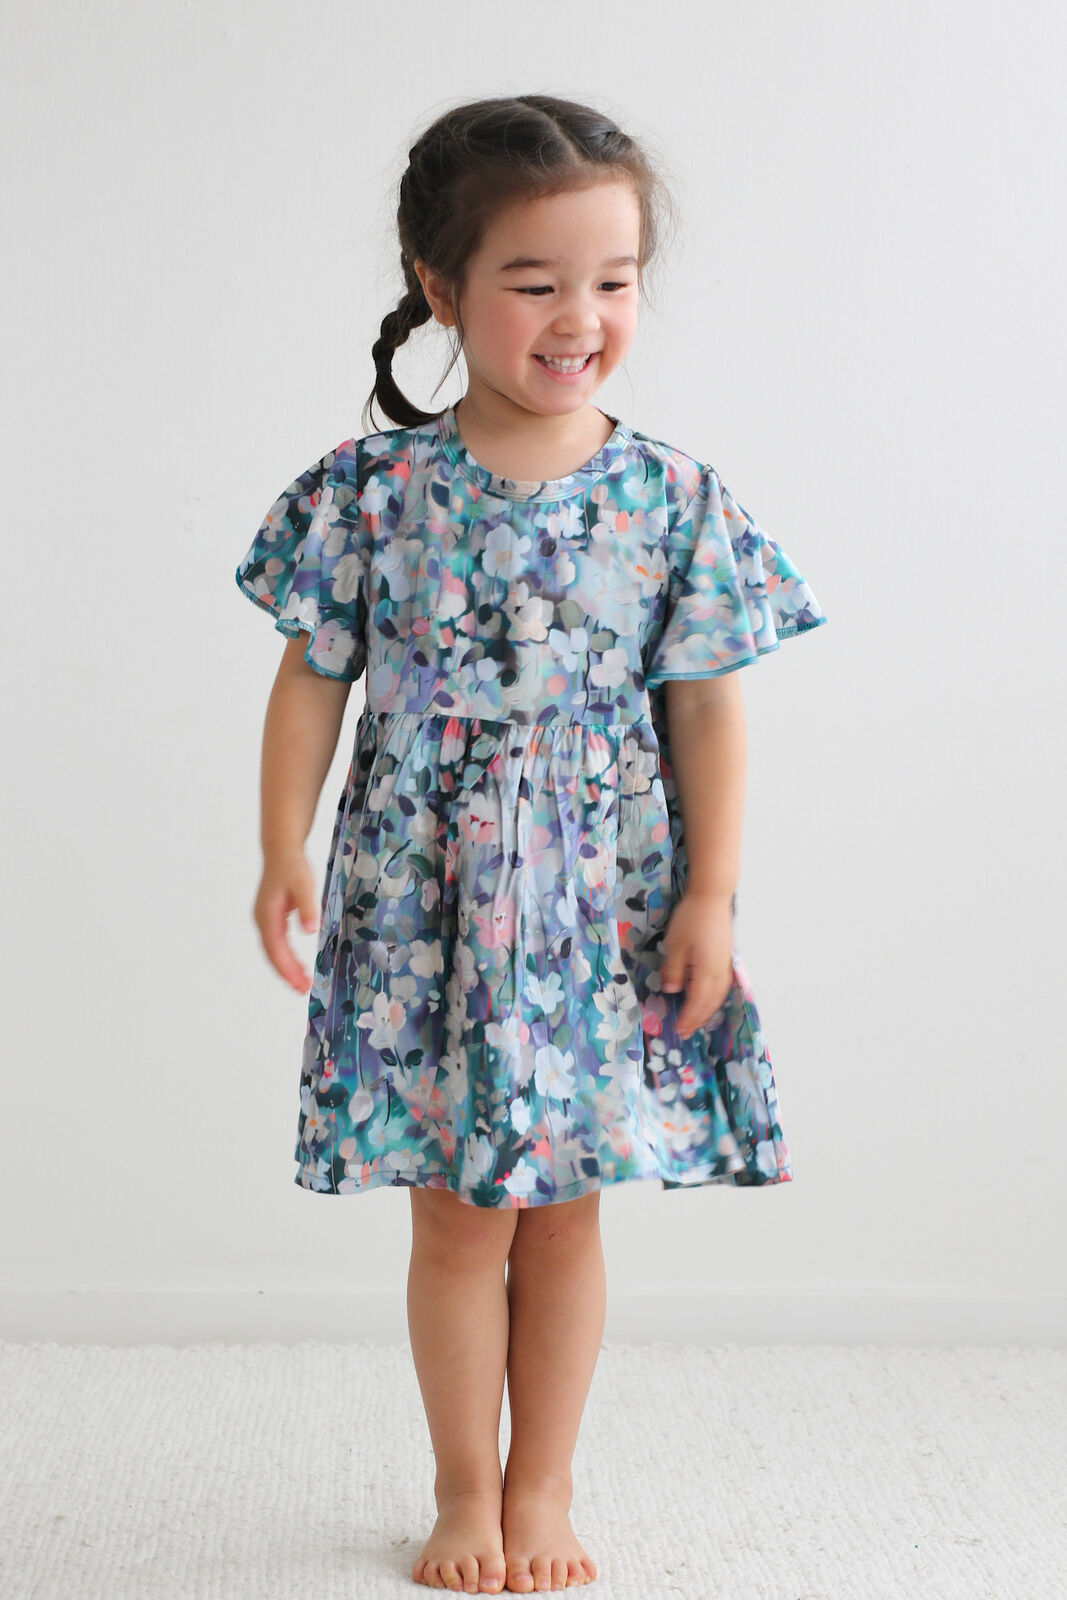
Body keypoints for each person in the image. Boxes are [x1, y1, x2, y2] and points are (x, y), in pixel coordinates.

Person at [234, 93, 827, 1596]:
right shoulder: (376, 493)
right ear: (442, 290)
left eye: (614, 281)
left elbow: (708, 712)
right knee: (454, 1211)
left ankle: (545, 1483)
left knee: (563, 1212)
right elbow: (313, 676)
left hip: (592, 904)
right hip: (426, 903)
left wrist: (708, 893)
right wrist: (280, 846)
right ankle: (460, 1489)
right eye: (536, 280)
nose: (581, 316)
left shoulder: (673, 499)